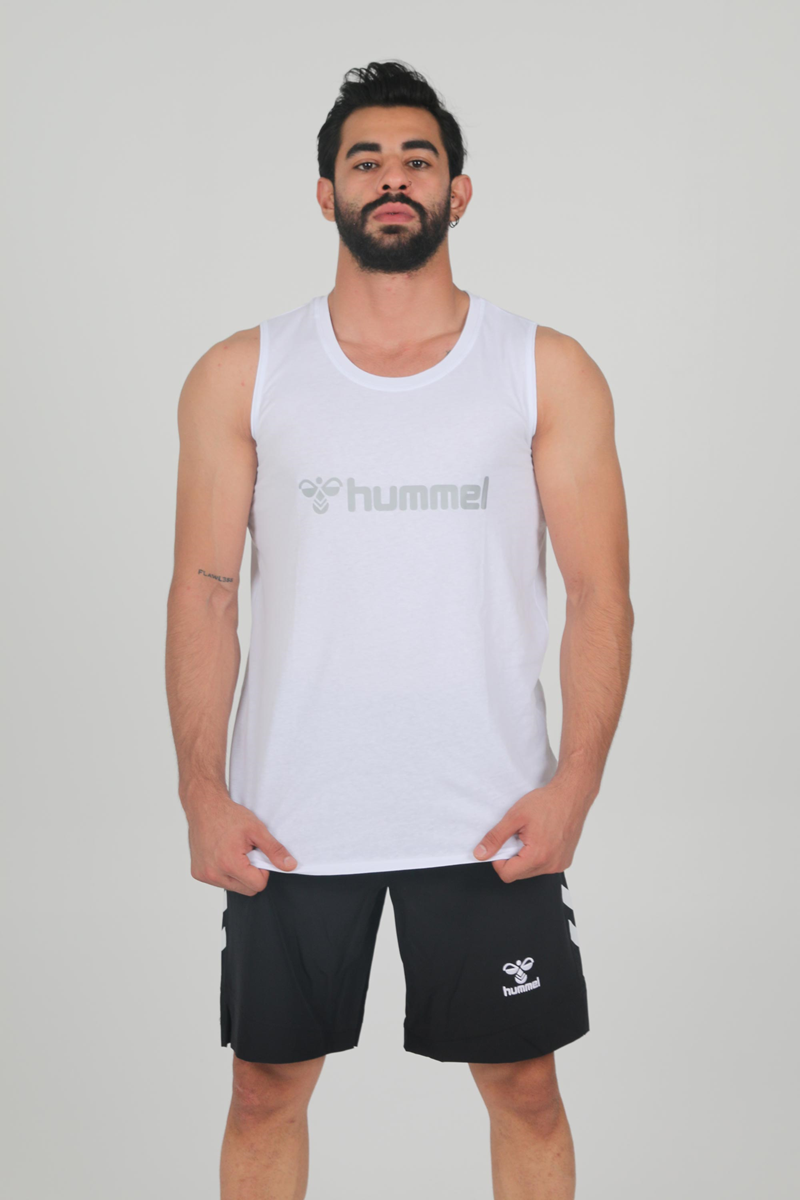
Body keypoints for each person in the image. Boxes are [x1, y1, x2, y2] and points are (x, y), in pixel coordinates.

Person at [165, 59, 634, 1200]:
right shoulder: (242, 374)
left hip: (487, 812)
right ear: (325, 192)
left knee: (525, 1089)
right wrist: (201, 791)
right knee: (263, 1091)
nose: (391, 178)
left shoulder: (542, 369)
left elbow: (598, 595)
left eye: (416, 160)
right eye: (364, 160)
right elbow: (206, 592)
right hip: (291, 815)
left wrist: (574, 784)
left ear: (456, 193)